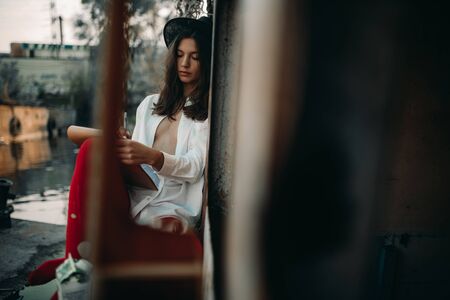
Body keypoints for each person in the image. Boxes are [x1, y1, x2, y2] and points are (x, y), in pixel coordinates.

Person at [27, 15, 212, 286]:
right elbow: (134, 159)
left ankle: (92, 261)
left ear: (205, 62)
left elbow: (195, 165)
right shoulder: (149, 105)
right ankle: (75, 261)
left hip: (171, 206)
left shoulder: (203, 114)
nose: (185, 64)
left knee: (168, 232)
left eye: (194, 57)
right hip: (135, 195)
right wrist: (123, 147)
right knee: (92, 148)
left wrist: (153, 156)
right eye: (181, 55)